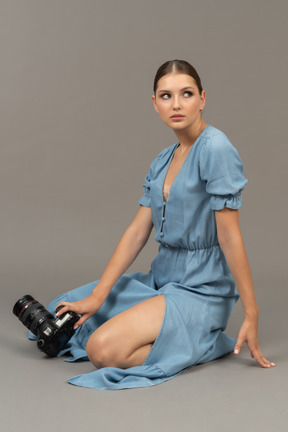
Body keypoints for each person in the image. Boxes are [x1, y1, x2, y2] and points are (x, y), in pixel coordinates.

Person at [41, 59, 275, 390]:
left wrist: (251, 312)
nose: (177, 104)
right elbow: (138, 231)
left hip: (202, 289)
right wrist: (98, 295)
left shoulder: (216, 148)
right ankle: (166, 332)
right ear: (155, 104)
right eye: (166, 96)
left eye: (187, 94)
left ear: (203, 98)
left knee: (101, 349)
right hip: (162, 280)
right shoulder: (164, 158)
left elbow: (230, 236)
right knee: (63, 312)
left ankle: (204, 343)